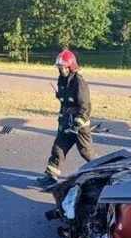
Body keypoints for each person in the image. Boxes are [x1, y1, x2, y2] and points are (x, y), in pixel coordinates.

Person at [35, 49, 94, 187]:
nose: (60, 70)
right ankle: (51, 176)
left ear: (70, 66)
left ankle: (105, 172)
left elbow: (85, 106)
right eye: (59, 67)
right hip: (66, 121)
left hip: (79, 125)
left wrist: (78, 122)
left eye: (62, 67)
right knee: (58, 149)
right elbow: (65, 98)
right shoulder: (62, 79)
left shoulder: (79, 82)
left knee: (86, 153)